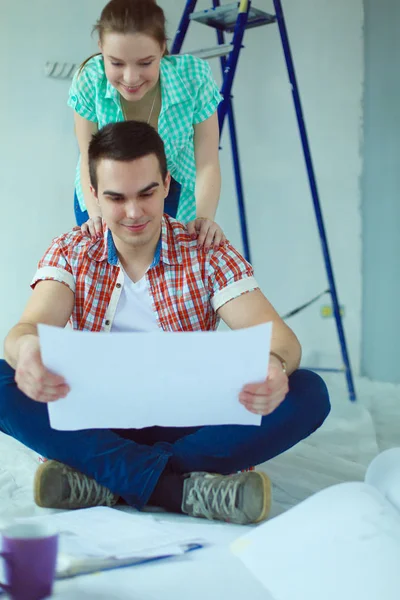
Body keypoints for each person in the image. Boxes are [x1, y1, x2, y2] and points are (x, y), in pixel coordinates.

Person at [1, 121, 330, 525]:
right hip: (101, 419)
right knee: (4, 376)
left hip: (189, 422)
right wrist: (28, 351)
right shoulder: (73, 249)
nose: (134, 212)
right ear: (93, 195)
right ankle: (179, 488)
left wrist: (275, 366)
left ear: (166, 184)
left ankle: (110, 478)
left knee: (307, 391)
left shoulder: (205, 250)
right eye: (116, 198)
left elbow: (282, 339)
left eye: (147, 193)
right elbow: (25, 329)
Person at [69, 0, 225, 251]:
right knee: (110, 274)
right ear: (101, 48)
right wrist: (97, 213)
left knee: (166, 274)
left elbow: (207, 161)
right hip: (104, 190)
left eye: (144, 63)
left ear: (162, 48)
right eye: (117, 63)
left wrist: (204, 219)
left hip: (168, 186)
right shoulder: (90, 79)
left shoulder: (194, 78)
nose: (131, 78)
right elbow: (88, 155)